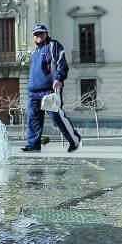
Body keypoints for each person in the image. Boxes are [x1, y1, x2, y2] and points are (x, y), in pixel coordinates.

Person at [21, 24, 81, 153]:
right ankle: (33, 144)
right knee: (33, 119)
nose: (39, 36)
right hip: (33, 92)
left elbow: (61, 62)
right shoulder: (34, 51)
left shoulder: (54, 45)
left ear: (46, 33)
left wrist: (59, 78)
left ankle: (74, 140)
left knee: (56, 117)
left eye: (41, 33)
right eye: (36, 34)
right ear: (33, 37)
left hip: (49, 89)